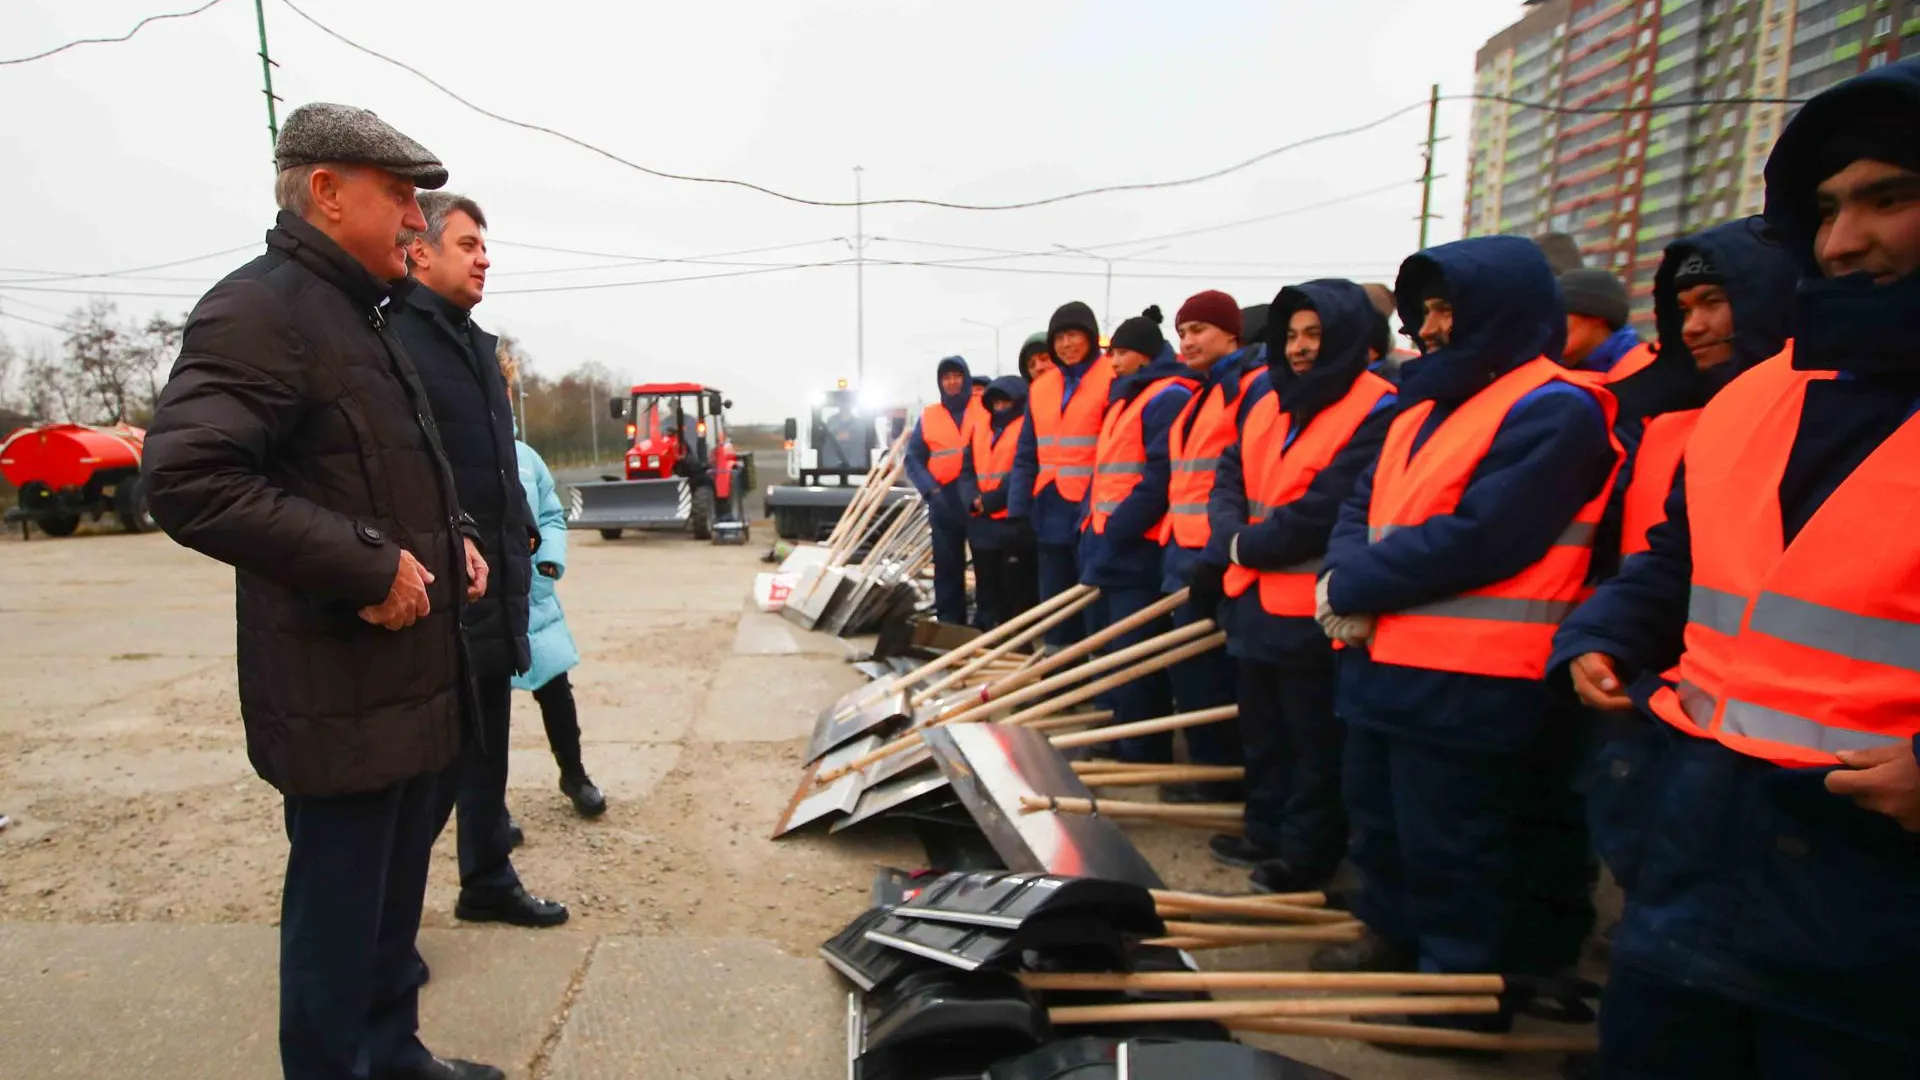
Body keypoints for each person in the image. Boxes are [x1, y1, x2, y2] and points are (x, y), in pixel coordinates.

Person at [1552, 60, 1920, 1077]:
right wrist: (1604, 632)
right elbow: (1676, 560)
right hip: (1702, 848)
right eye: (1831, 208)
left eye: (1892, 198)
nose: (1846, 240)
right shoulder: (1757, 401)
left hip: (1879, 907)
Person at [141, 103, 504, 1080]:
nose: (414, 222)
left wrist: (457, 537)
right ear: (326, 191)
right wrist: (365, 564)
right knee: (338, 928)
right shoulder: (262, 308)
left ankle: (394, 1058)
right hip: (337, 688)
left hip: (412, 677)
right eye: (398, 198)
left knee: (389, 915)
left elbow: (386, 474)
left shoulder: (366, 317)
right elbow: (187, 481)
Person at [1312, 237, 1621, 1023]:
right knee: (1381, 822)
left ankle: (1456, 989)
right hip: (1386, 659)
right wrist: (1341, 575)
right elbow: (1361, 504)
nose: (1432, 327)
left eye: (1448, 308)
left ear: (1503, 307)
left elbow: (1486, 535)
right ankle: (1392, 935)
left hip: (1475, 676)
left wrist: (1350, 581)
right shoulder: (1424, 408)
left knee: (1457, 843)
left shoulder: (1555, 407)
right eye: (1427, 312)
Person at [394, 193, 567, 930]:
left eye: (485, 246)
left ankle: (487, 880)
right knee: (426, 771)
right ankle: (380, 929)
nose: (484, 257)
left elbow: (495, 457)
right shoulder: (397, 339)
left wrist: (522, 522)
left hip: (496, 578)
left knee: (488, 749)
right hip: (439, 586)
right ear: (421, 252)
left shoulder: (475, 345)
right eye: (468, 244)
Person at [1204, 280, 1396, 894]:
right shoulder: (1266, 398)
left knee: (1312, 739)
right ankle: (1264, 829)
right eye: (1292, 335)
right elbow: (1229, 472)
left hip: (1310, 609)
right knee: (1261, 729)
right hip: (1254, 596)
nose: (1301, 348)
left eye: (1314, 335)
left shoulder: (1377, 406)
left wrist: (1244, 543)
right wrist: (1232, 533)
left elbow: (1329, 505)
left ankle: (1307, 854)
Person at [1602, 222, 1798, 559]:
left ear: (1765, 303)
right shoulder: (1658, 420)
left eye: (1712, 302)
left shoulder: (1811, 420)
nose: (1692, 328)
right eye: (1684, 310)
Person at [1078, 307, 1198, 759]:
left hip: (1137, 545)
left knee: (1134, 649)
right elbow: (1107, 470)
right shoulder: (1127, 398)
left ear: (1146, 356)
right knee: (1111, 645)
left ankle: (1141, 745)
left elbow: (1158, 475)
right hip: (1107, 540)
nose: (1114, 363)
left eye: (1122, 354)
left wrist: (1120, 526)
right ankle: (1116, 730)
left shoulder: (1166, 397)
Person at [1158, 289, 1262, 799]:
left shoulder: (1249, 389)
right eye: (1182, 332)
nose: (1189, 340)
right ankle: (1205, 772)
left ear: (1231, 333)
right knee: (1191, 673)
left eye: (1199, 329)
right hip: (1185, 550)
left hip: (1218, 555)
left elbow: (1242, 478)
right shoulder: (1202, 394)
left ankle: (1219, 780)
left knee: (1214, 675)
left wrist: (1219, 554)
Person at [508, 419, 605, 818]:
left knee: (556, 693)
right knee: (485, 710)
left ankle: (574, 775)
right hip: (481, 600)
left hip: (534, 597)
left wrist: (548, 563)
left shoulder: (527, 458)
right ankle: (489, 808)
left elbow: (550, 514)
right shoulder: (455, 450)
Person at [1010, 302, 1113, 645]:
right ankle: (1058, 679)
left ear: (1090, 337)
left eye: (1074, 335)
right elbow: (1026, 454)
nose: (1067, 344)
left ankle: (1099, 687)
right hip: (1050, 504)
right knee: (1055, 601)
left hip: (1094, 508)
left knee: (1092, 599)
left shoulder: (1111, 378)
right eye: (1060, 338)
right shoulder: (1041, 388)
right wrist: (1018, 508)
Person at [904, 356, 985, 625]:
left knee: (986, 567)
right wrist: (932, 492)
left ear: (966, 378)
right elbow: (913, 458)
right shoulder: (930, 416)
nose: (951, 382)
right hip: (944, 499)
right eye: (946, 378)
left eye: (956, 376)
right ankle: (950, 623)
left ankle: (986, 624)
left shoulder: (983, 408)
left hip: (978, 497)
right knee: (948, 569)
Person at [961, 375, 1038, 629]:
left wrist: (991, 500)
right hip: (981, 522)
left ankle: (1009, 634)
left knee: (1012, 586)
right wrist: (972, 498)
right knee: (986, 583)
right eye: (995, 403)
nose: (1000, 408)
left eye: (1005, 403)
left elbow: (1023, 471)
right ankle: (984, 629)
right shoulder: (980, 428)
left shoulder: (1026, 428)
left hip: (1009, 520)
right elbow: (967, 470)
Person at [1559, 268, 1654, 381]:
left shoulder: (1649, 370)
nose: (1549, 325)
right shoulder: (1552, 369)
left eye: (1560, 315)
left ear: (1597, 317)